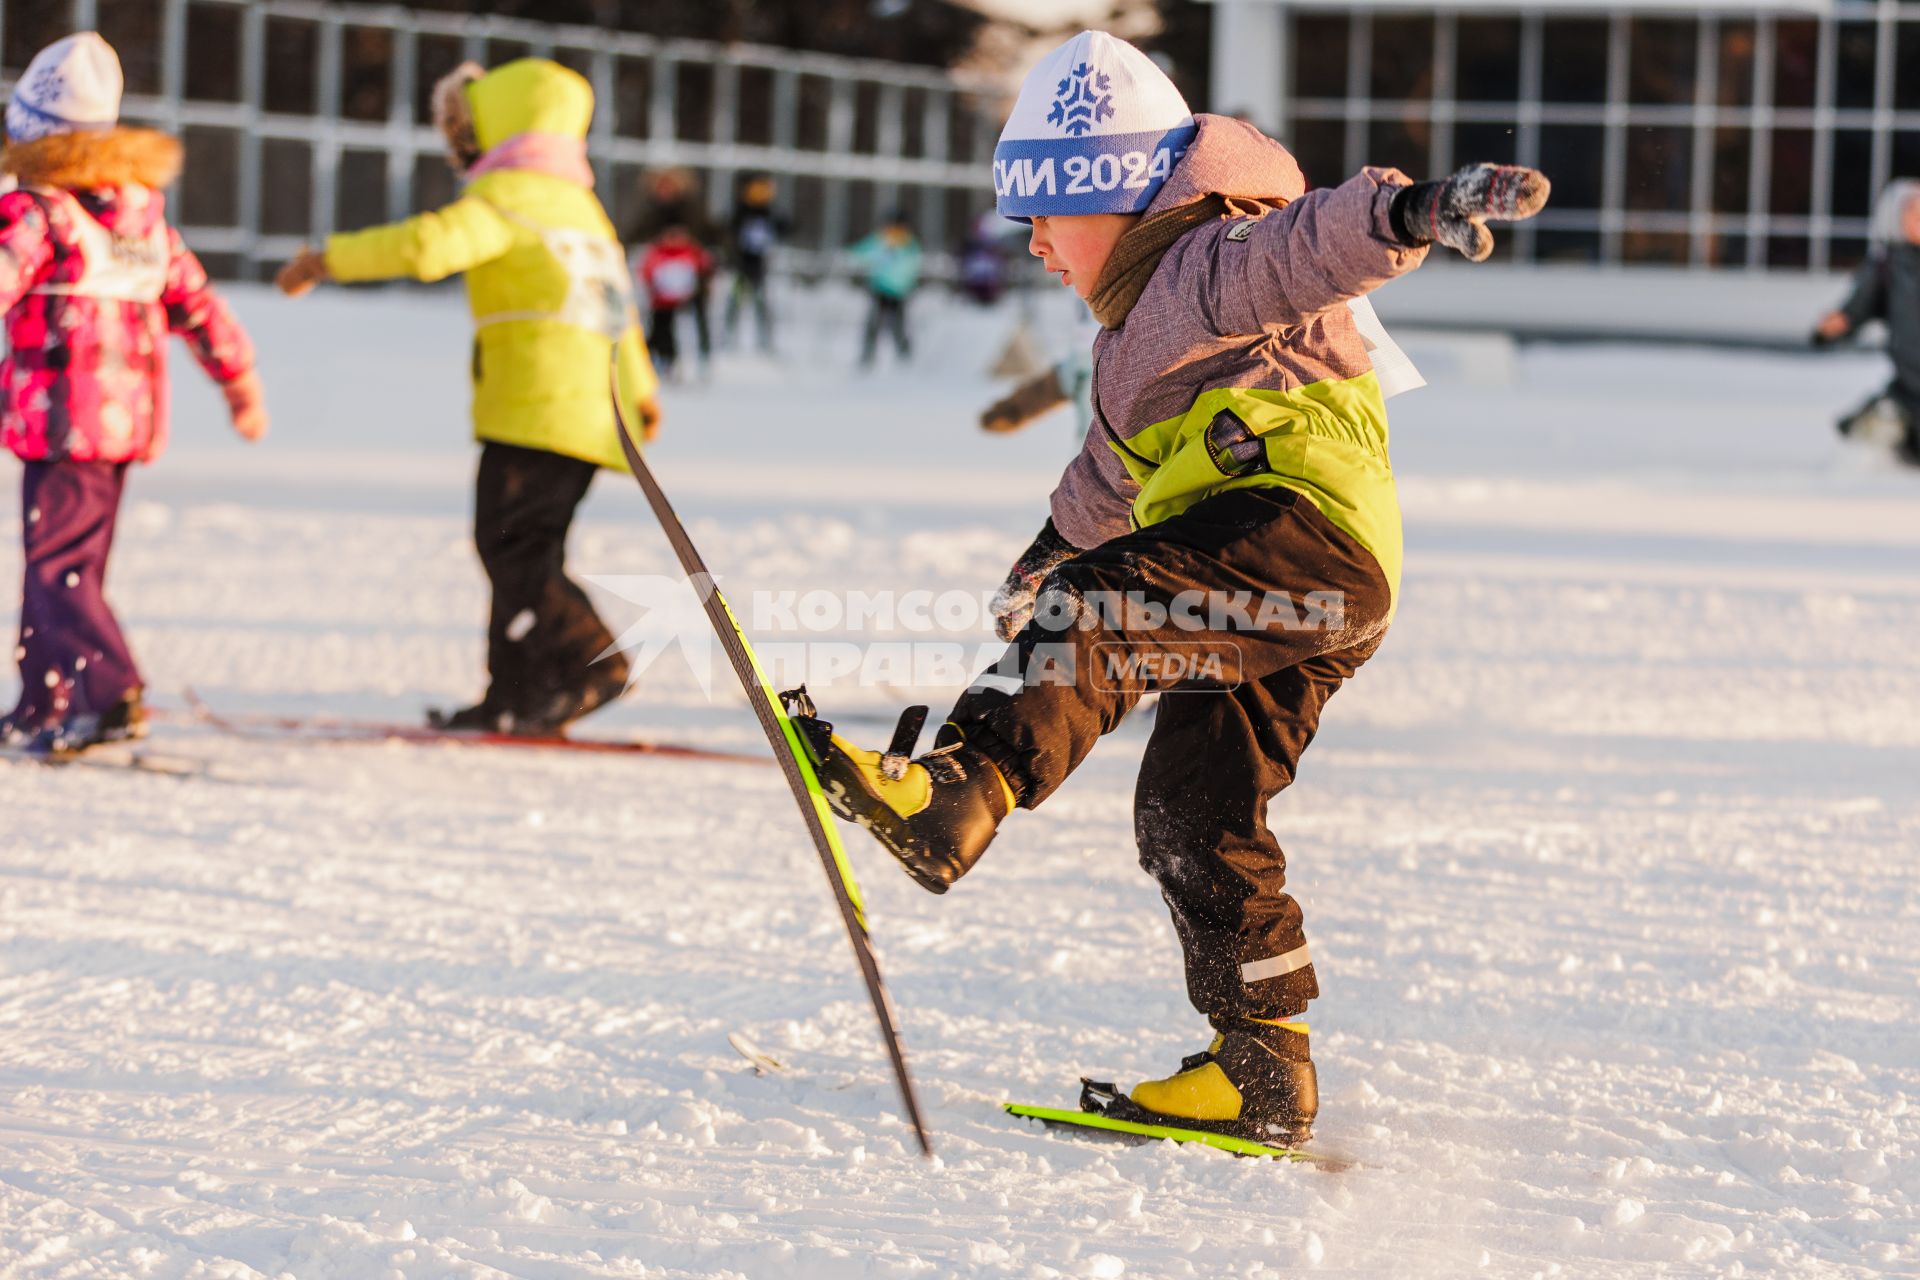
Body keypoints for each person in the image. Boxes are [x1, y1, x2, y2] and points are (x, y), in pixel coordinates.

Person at [796, 31, 1547, 1146]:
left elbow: (1311, 246)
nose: (1040, 243)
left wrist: (1409, 211)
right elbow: (1105, 481)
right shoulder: (1125, 349)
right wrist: (1043, 558)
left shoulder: (1207, 261)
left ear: (1128, 198)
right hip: (1302, 590)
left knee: (1098, 611)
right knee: (1192, 810)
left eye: (1053, 214)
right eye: (1026, 221)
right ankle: (1261, 1067)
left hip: (1295, 531)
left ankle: (962, 787)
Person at [275, 57, 661, 736]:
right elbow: (617, 306)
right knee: (524, 548)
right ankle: (514, 694)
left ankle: (588, 661)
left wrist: (328, 257)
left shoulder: (510, 194)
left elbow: (428, 246)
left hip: (534, 406)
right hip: (590, 411)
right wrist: (641, 392)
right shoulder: (581, 205)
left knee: (510, 547)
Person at [0, 32, 266, 755]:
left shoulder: (40, 211)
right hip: (121, 426)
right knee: (61, 567)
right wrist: (238, 380)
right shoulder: (143, 219)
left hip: (61, 422)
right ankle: (43, 700)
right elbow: (199, 303)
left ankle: (109, 695)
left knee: (60, 569)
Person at [1814, 179, 1920, 465]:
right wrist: (1837, 325)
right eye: (1915, 212)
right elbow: (1857, 308)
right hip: (1908, 392)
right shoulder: (1886, 267)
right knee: (1875, 448)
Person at [626, 168, 715, 370]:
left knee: (697, 312)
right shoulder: (653, 210)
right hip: (663, 274)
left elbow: (709, 233)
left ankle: (702, 356)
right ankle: (664, 355)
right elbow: (637, 232)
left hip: (691, 271)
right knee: (662, 316)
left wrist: (687, 239)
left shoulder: (692, 210)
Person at [638, 223, 713, 380]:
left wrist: (702, 288)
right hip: (662, 301)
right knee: (661, 328)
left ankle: (699, 358)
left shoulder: (692, 252)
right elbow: (647, 272)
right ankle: (663, 359)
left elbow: (705, 269)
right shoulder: (657, 253)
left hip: (688, 298)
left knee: (692, 325)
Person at [849, 211, 922, 368]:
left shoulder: (910, 246)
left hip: (899, 292)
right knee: (873, 324)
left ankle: (905, 359)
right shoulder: (879, 241)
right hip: (880, 289)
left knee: (898, 326)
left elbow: (911, 267)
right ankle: (867, 357)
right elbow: (858, 253)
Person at [724, 172, 783, 353]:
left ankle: (764, 339)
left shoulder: (768, 213)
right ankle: (729, 335)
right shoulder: (741, 211)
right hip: (742, 264)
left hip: (759, 264)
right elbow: (730, 230)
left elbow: (780, 228)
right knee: (736, 299)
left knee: (760, 302)